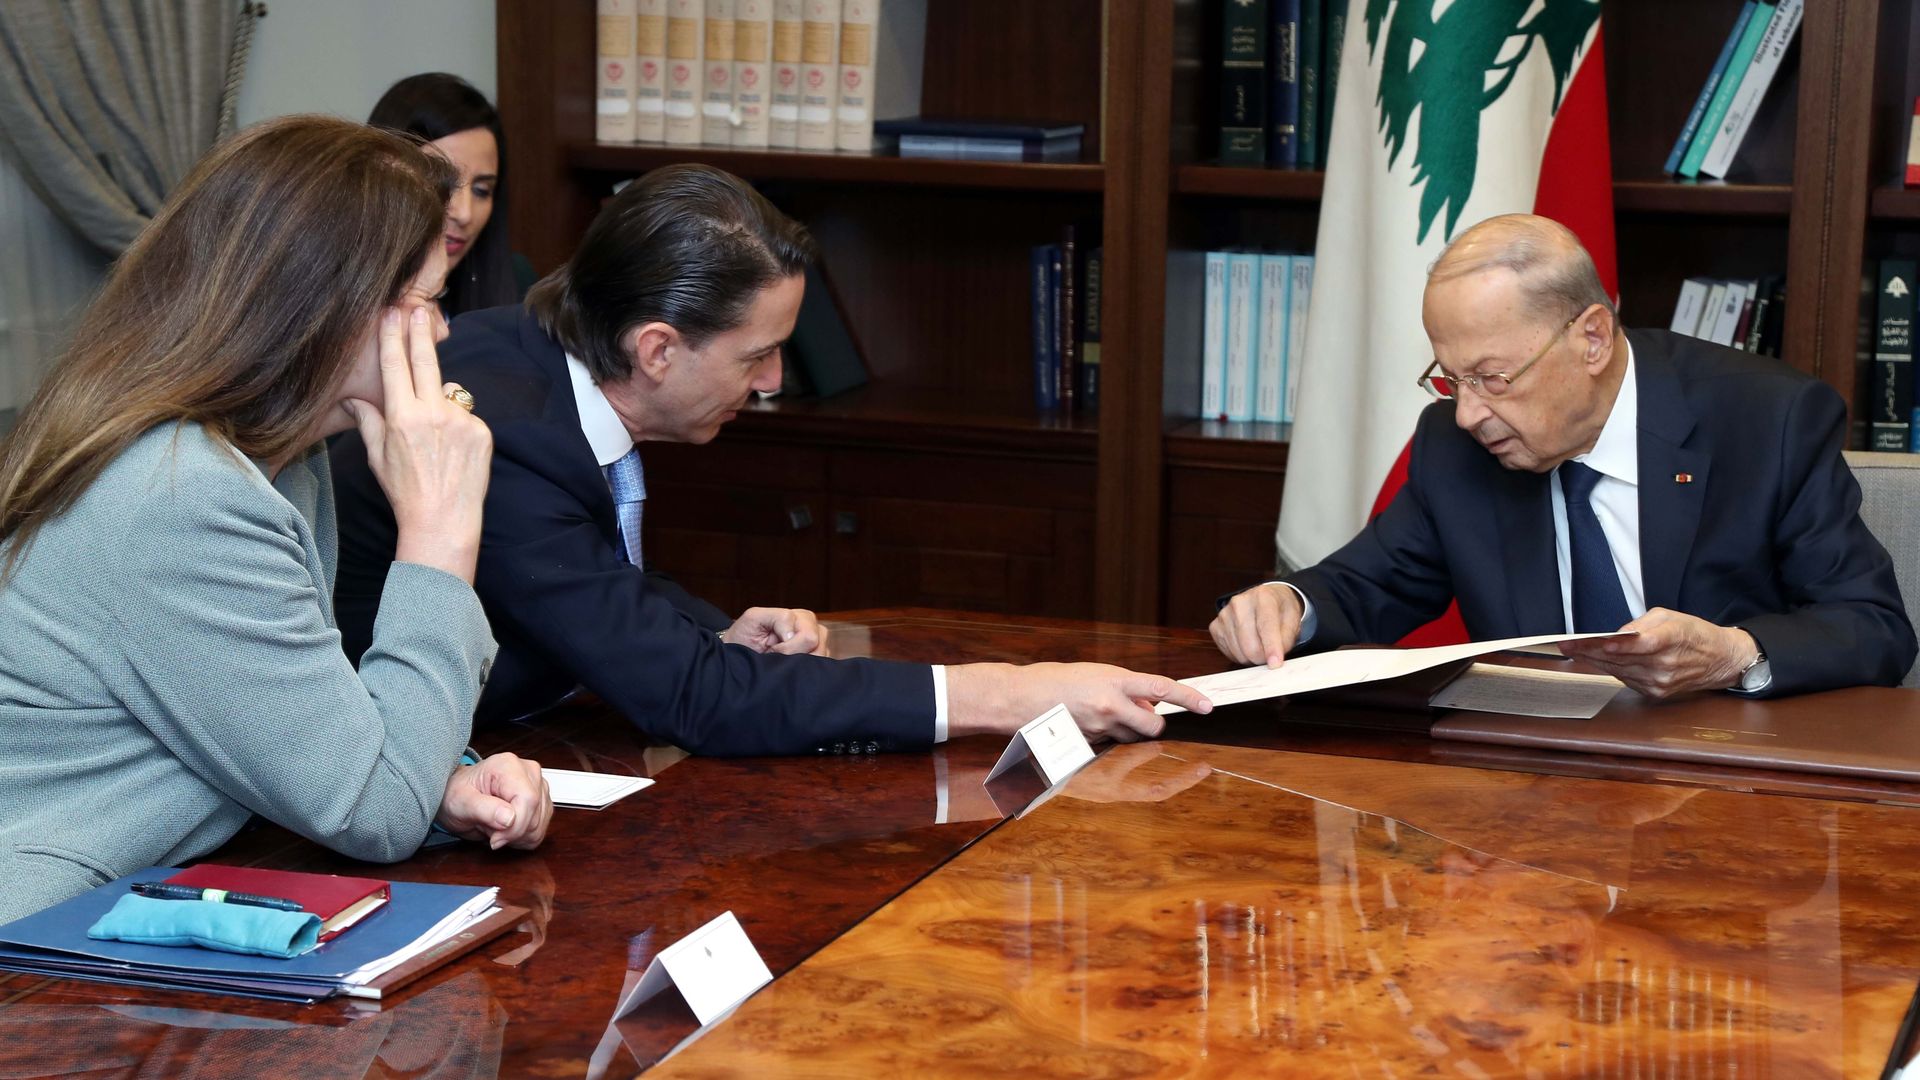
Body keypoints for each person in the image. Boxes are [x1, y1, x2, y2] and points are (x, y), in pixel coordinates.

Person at [331, 163, 1212, 755]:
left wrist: (708, 628)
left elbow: (571, 571)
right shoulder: (495, 430)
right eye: (757, 355)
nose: (775, 381)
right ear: (657, 350)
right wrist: (1008, 695)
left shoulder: (537, 347)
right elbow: (694, 700)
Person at [0, 116, 552, 924]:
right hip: (46, 955)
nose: (439, 332)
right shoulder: (183, 496)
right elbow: (374, 813)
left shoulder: (275, 458)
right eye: (428, 303)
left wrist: (439, 780)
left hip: (148, 905)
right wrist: (439, 533)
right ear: (328, 308)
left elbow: (290, 725)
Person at [1210, 213, 1915, 699]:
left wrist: (1735, 655)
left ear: (1592, 339)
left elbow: (1873, 628)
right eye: (1451, 379)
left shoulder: (1767, 420)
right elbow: (1367, 588)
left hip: (1720, 771)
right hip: (1533, 793)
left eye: (1493, 377)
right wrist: (1287, 603)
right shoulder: (1454, 447)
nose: (1468, 412)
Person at [368, 73, 526, 317]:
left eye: (481, 190)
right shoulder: (329, 293)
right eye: (442, 184)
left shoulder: (516, 278)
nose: (464, 213)